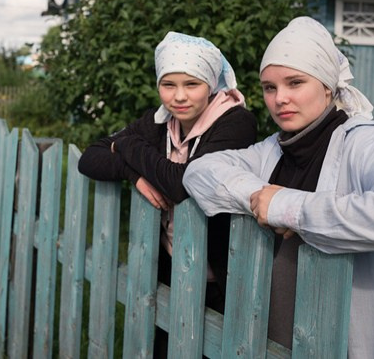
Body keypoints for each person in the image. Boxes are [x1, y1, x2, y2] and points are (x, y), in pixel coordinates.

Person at [183, 16, 374, 358]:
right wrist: (255, 195)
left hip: (343, 341)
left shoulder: (366, 143)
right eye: (269, 87)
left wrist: (288, 207)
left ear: (326, 86)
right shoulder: (273, 149)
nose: (280, 99)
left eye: (295, 83)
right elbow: (199, 172)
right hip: (273, 335)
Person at [77, 31, 257, 354]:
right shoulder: (160, 122)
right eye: (168, 85)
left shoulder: (236, 123)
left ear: (211, 84)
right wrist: (132, 172)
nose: (179, 97)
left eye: (192, 84)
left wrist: (128, 145)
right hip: (170, 267)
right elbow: (90, 157)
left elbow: (182, 183)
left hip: (224, 277)